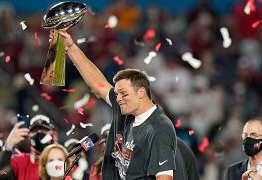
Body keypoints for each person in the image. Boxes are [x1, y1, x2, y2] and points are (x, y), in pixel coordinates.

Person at [53, 30, 186, 179]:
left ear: (141, 93)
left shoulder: (159, 128)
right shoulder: (125, 106)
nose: (118, 98)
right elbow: (99, 85)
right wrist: (71, 48)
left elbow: (164, 177)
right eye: (117, 94)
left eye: (124, 94)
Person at [0, 114, 57, 180]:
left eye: (43, 130)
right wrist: (8, 147)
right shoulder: (19, 161)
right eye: (35, 130)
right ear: (28, 135)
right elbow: (1, 174)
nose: (39, 133)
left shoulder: (61, 159)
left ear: (53, 134)